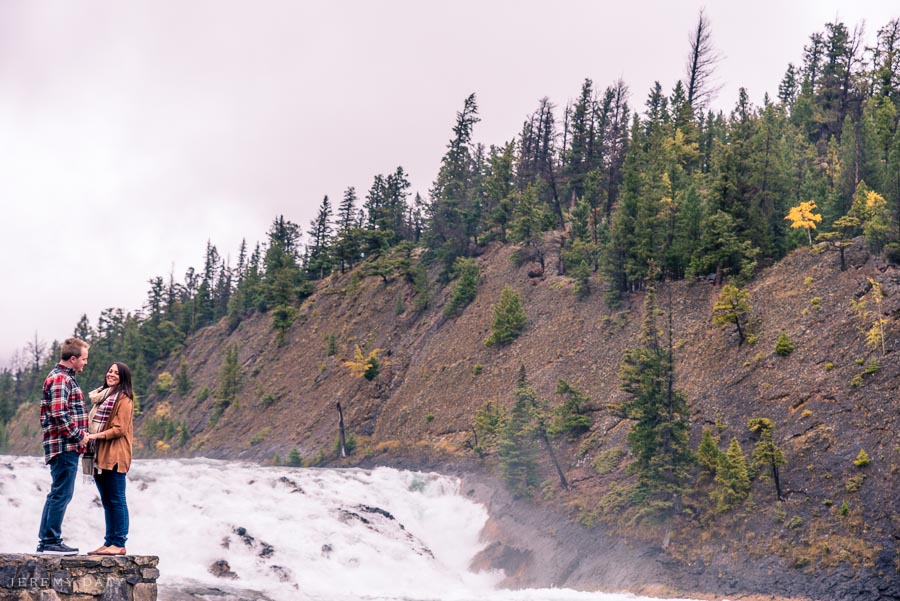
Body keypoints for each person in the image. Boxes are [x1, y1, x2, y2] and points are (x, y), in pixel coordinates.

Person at [37, 337, 90, 555]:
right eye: (84, 359)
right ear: (73, 358)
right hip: (64, 446)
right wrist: (79, 437)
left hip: (62, 445)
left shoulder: (62, 377)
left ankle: (47, 541)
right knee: (61, 493)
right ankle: (50, 541)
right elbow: (59, 413)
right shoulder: (61, 379)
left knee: (58, 492)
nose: (86, 363)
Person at [84, 362, 134, 556]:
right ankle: (109, 542)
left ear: (123, 378)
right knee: (107, 500)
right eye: (109, 371)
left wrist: (94, 437)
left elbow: (120, 429)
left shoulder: (124, 398)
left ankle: (119, 543)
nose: (111, 374)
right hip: (99, 454)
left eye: (116, 373)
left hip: (115, 454)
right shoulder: (102, 397)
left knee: (117, 499)